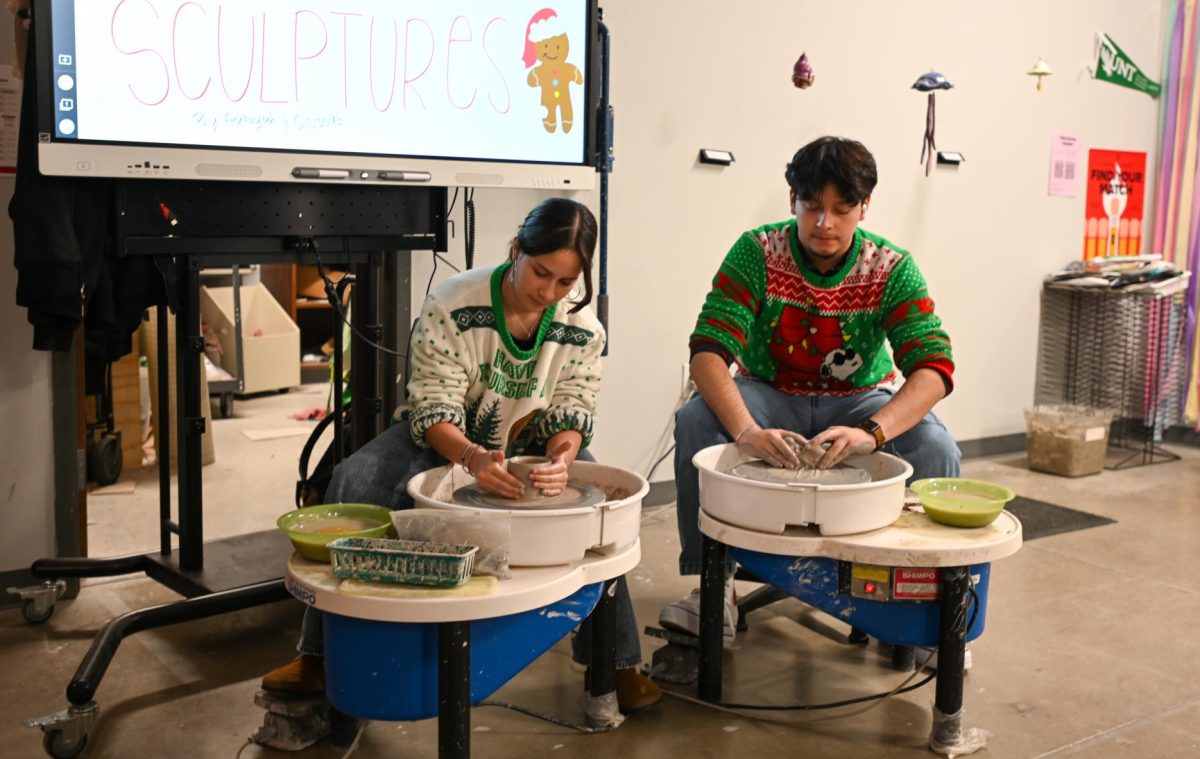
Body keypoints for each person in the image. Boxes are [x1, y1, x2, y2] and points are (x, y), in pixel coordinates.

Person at [264, 197, 661, 712]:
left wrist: (562, 457)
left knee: (602, 519)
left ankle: (615, 663)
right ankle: (320, 656)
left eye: (566, 282)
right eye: (541, 272)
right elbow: (432, 405)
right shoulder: (454, 303)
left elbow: (573, 407)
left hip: (531, 446)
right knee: (354, 479)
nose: (549, 291)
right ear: (516, 249)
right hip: (442, 435)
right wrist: (474, 459)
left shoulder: (581, 327)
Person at [659, 136, 960, 642]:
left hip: (861, 397)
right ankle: (714, 588)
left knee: (937, 448)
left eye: (842, 210)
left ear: (865, 206)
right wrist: (747, 430)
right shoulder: (758, 251)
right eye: (812, 207)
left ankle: (925, 608)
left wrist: (872, 432)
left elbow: (933, 368)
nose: (825, 224)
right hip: (767, 390)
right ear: (791, 200)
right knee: (695, 421)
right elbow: (708, 351)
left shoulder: (891, 267)